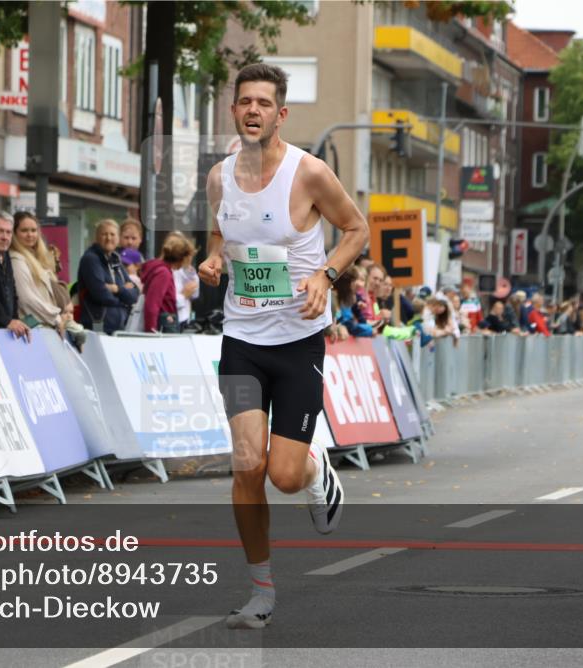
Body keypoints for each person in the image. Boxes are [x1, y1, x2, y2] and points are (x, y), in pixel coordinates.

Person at [197, 63, 368, 630]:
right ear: (234, 111)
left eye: (263, 103)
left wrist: (324, 275)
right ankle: (261, 591)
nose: (252, 111)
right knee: (247, 464)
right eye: (244, 101)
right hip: (241, 337)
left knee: (284, 476)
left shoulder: (309, 172)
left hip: (297, 341)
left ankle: (317, 474)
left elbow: (357, 229)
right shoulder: (219, 176)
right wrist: (215, 258)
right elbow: (220, 232)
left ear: (281, 113)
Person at [9, 211, 84, 344]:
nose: (30, 235)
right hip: (31, 330)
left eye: (33, 230)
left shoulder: (36, 259)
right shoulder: (16, 260)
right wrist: (56, 317)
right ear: (14, 233)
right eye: (24, 230)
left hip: (43, 328)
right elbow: (26, 299)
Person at [77, 219, 139, 334]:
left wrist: (117, 289)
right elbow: (100, 293)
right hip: (98, 327)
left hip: (118, 327)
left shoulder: (116, 259)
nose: (109, 238)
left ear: (118, 238)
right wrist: (124, 300)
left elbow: (135, 294)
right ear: (96, 237)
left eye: (112, 234)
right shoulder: (91, 259)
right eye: (104, 234)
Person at [139, 234, 196, 333]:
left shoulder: (162, 270)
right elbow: (152, 305)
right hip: (161, 327)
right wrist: (151, 333)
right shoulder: (163, 273)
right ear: (182, 258)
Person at [332, 266, 373, 338]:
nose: (356, 284)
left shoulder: (352, 298)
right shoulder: (332, 297)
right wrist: (338, 328)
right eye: (354, 280)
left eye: (362, 280)